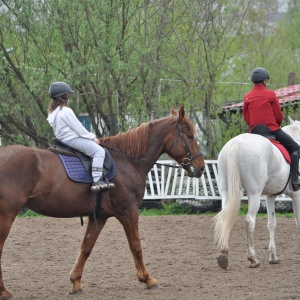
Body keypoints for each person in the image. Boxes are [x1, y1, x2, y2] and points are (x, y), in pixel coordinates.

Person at [47, 81, 114, 192]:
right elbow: (79, 130)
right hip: (72, 139)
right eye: (68, 95)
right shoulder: (66, 111)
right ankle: (97, 180)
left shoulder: (52, 112)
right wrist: (92, 138)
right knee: (99, 152)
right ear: (64, 97)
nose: (69, 97)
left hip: (61, 140)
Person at [243, 67, 300, 191]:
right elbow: (278, 115)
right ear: (265, 81)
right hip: (272, 130)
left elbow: (246, 118)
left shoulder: (247, 97)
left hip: (254, 132)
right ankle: (295, 180)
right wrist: (277, 124)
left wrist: (253, 126)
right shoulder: (270, 94)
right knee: (295, 148)